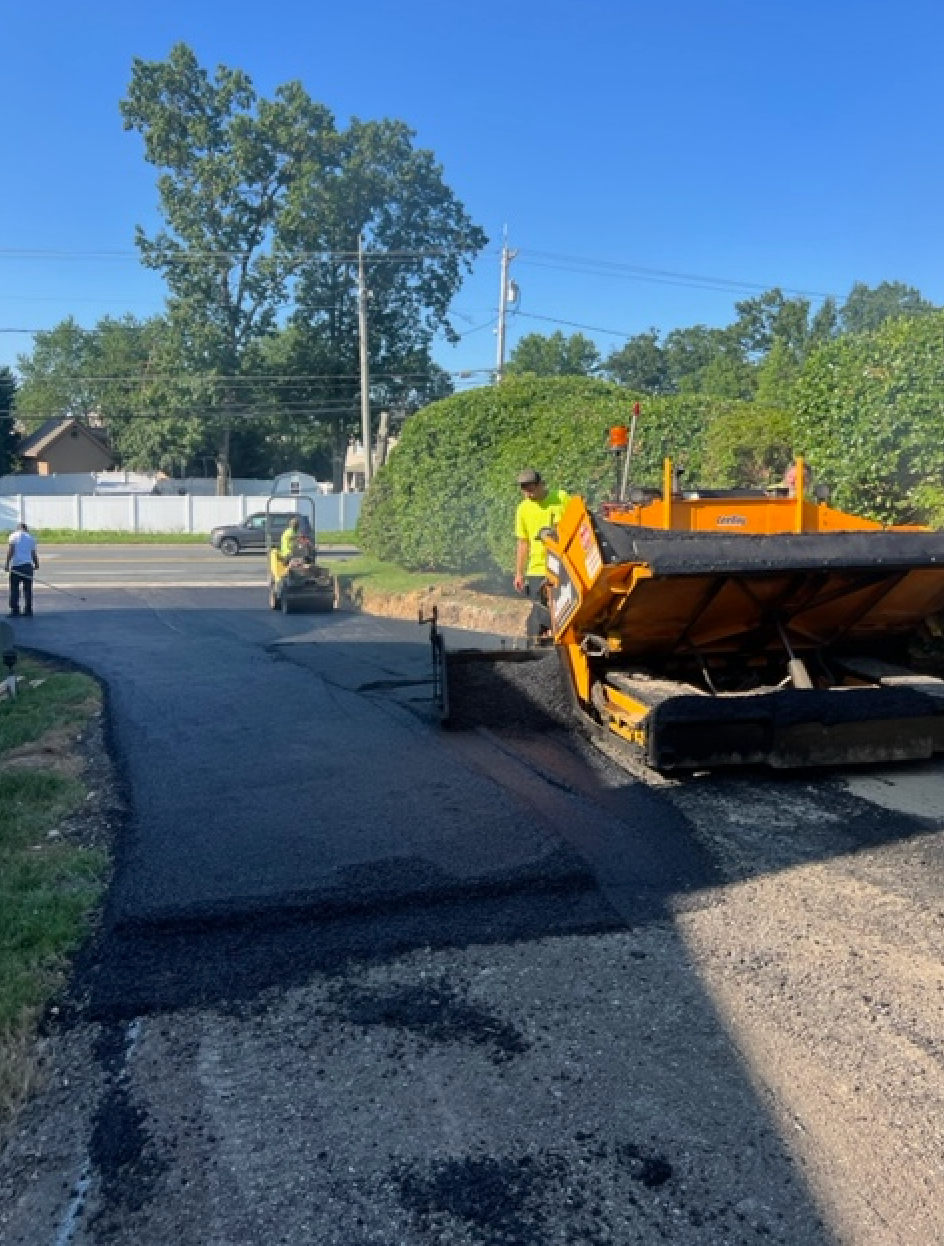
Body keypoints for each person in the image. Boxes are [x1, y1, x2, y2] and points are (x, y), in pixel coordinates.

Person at [513, 468, 570, 642]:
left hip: (563, 565)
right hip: (537, 569)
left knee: (564, 610)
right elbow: (523, 543)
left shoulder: (561, 498)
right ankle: (538, 648)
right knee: (541, 611)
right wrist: (519, 573)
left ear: (540, 484)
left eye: (531, 489)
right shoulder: (522, 509)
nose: (528, 494)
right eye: (524, 490)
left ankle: (563, 643)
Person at [6, 522, 39, 617]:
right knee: (28, 589)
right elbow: (33, 554)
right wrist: (36, 564)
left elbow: (11, 550)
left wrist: (7, 563)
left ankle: (15, 609)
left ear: (18, 528)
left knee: (14, 589)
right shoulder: (31, 538)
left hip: (16, 566)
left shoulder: (13, 536)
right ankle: (28, 609)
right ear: (26, 529)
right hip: (28, 567)